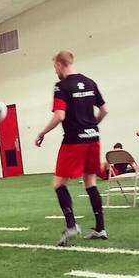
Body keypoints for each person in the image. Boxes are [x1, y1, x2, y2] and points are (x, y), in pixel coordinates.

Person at [35, 50, 109, 245]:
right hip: (93, 139)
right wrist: (92, 125)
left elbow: (60, 115)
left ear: (60, 65)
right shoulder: (90, 82)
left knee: (59, 183)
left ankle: (71, 225)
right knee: (90, 182)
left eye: (55, 67)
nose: (55, 71)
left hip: (74, 141)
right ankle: (100, 228)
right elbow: (104, 110)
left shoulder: (61, 86)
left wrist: (42, 133)